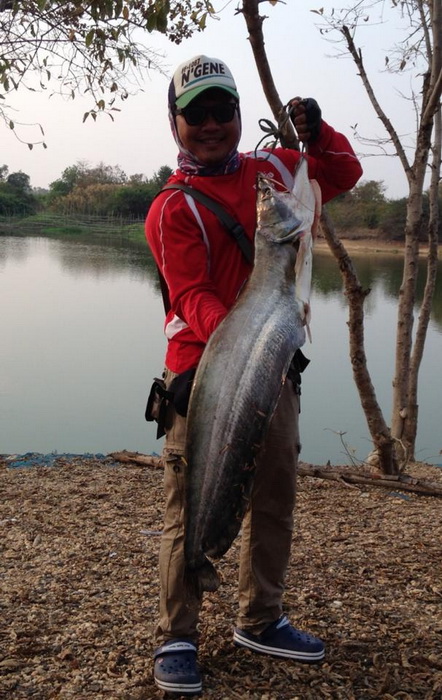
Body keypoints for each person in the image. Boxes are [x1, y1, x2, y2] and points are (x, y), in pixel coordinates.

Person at [145, 55, 362, 696]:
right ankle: (177, 632)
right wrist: (239, 337)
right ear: (176, 124)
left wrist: (315, 134)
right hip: (201, 377)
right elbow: (193, 298)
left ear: (240, 115)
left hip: (277, 372)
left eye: (223, 111)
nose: (212, 125)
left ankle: (261, 617)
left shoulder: (275, 174)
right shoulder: (171, 208)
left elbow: (342, 174)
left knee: (274, 495)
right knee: (190, 503)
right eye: (197, 115)